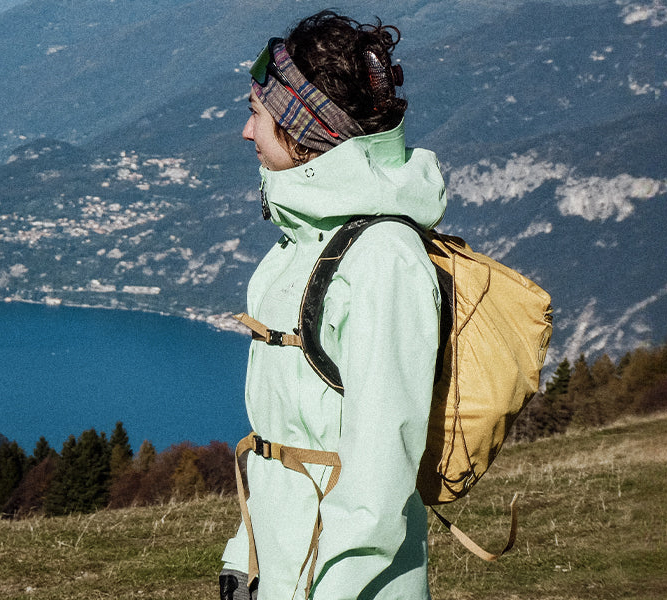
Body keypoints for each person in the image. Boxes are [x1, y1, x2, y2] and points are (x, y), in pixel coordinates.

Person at [220, 10, 444, 600]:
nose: (246, 133)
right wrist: (244, 554)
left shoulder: (381, 259)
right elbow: (281, 441)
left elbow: (378, 471)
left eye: (257, 114)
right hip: (287, 572)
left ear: (302, 128)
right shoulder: (300, 247)